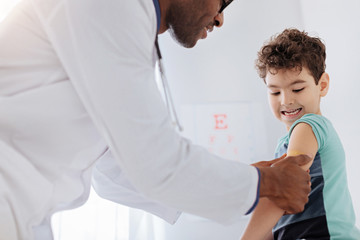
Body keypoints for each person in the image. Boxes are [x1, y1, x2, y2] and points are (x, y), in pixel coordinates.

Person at [0, 0, 312, 239]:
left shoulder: (126, 27)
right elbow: (156, 164)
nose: (220, 17)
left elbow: (114, 173)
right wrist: (266, 184)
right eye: (223, 0)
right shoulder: (111, 9)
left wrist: (248, 180)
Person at [241, 28, 360, 240]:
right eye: (275, 91)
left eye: (297, 89)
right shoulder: (286, 143)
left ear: (322, 85)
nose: (286, 100)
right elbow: (278, 220)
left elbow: (285, 186)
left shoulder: (309, 125)